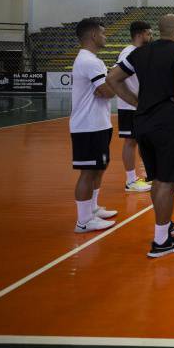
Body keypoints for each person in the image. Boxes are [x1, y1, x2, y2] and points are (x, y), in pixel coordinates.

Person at [108, 13, 174, 258]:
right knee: (168, 183)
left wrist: (136, 101)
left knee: (156, 178)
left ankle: (164, 225)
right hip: (168, 123)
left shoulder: (139, 52)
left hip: (143, 123)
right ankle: (161, 241)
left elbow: (112, 78)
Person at [70, 19, 117, 233]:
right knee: (88, 172)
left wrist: (107, 86)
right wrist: (110, 86)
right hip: (88, 125)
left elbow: (104, 89)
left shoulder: (91, 60)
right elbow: (106, 91)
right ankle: (83, 221)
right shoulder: (90, 61)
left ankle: (93, 209)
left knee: (98, 168)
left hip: (98, 123)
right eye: (103, 33)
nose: (106, 37)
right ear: (93, 36)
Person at [115, 21, 153, 193]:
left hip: (139, 106)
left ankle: (143, 175)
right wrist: (132, 99)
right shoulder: (128, 52)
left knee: (138, 140)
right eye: (149, 33)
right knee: (130, 142)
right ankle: (130, 181)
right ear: (140, 34)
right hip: (130, 106)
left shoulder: (139, 52)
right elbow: (115, 76)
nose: (151, 37)